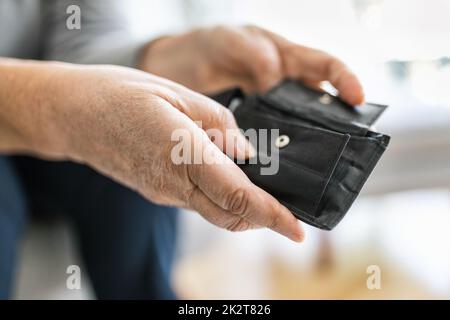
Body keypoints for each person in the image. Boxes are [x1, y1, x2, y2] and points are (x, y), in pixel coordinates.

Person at [0, 0, 365, 299]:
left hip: (47, 135)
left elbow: (83, 40)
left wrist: (182, 54)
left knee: (144, 155)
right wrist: (61, 107)